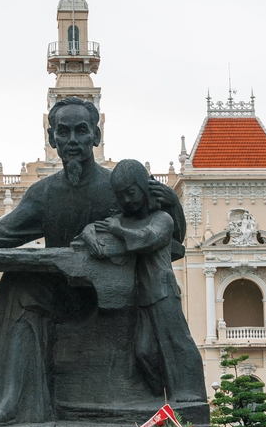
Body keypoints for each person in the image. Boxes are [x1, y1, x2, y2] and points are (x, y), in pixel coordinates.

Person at [0, 97, 186, 426]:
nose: (72, 140)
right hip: (64, 293)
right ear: (52, 139)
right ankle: (10, 402)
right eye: (63, 132)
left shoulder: (117, 187)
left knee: (23, 284)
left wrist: (172, 203)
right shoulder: (44, 193)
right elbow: (3, 232)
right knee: (21, 283)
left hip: (114, 296)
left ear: (96, 136)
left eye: (81, 131)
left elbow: (169, 237)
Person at [80, 159, 206, 402]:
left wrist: (117, 230)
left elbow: (145, 239)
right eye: (121, 196)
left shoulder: (162, 219)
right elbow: (92, 228)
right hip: (139, 297)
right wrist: (89, 236)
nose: (127, 200)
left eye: (131, 192)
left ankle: (190, 392)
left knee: (178, 342)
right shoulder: (124, 220)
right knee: (144, 351)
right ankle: (158, 396)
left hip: (163, 292)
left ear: (143, 187)